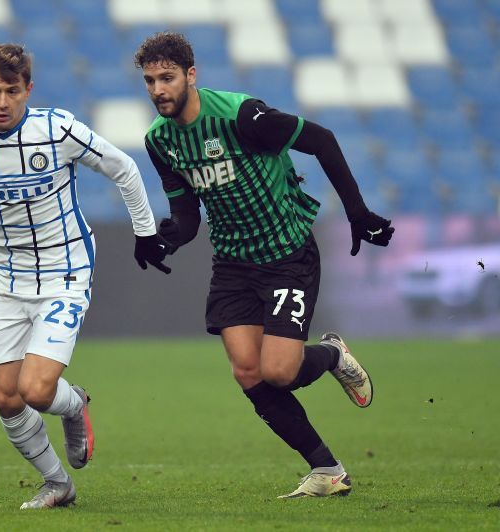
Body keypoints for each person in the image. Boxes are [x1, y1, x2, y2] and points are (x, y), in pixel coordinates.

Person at [0, 43, 170, 509]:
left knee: (36, 390)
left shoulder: (56, 129)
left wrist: (144, 232)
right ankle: (57, 483)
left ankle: (73, 403)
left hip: (66, 270)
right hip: (6, 280)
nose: (2, 102)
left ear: (28, 90)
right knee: (5, 398)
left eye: (12, 91)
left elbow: (124, 167)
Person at [134, 32, 394, 498]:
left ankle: (333, 354)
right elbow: (188, 218)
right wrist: (163, 239)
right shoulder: (159, 141)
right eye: (150, 81)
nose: (158, 90)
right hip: (233, 263)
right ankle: (327, 471)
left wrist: (358, 213)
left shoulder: (241, 116)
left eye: (167, 78)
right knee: (248, 372)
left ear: (191, 76)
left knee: (278, 372)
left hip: (286, 256)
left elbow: (322, 140)